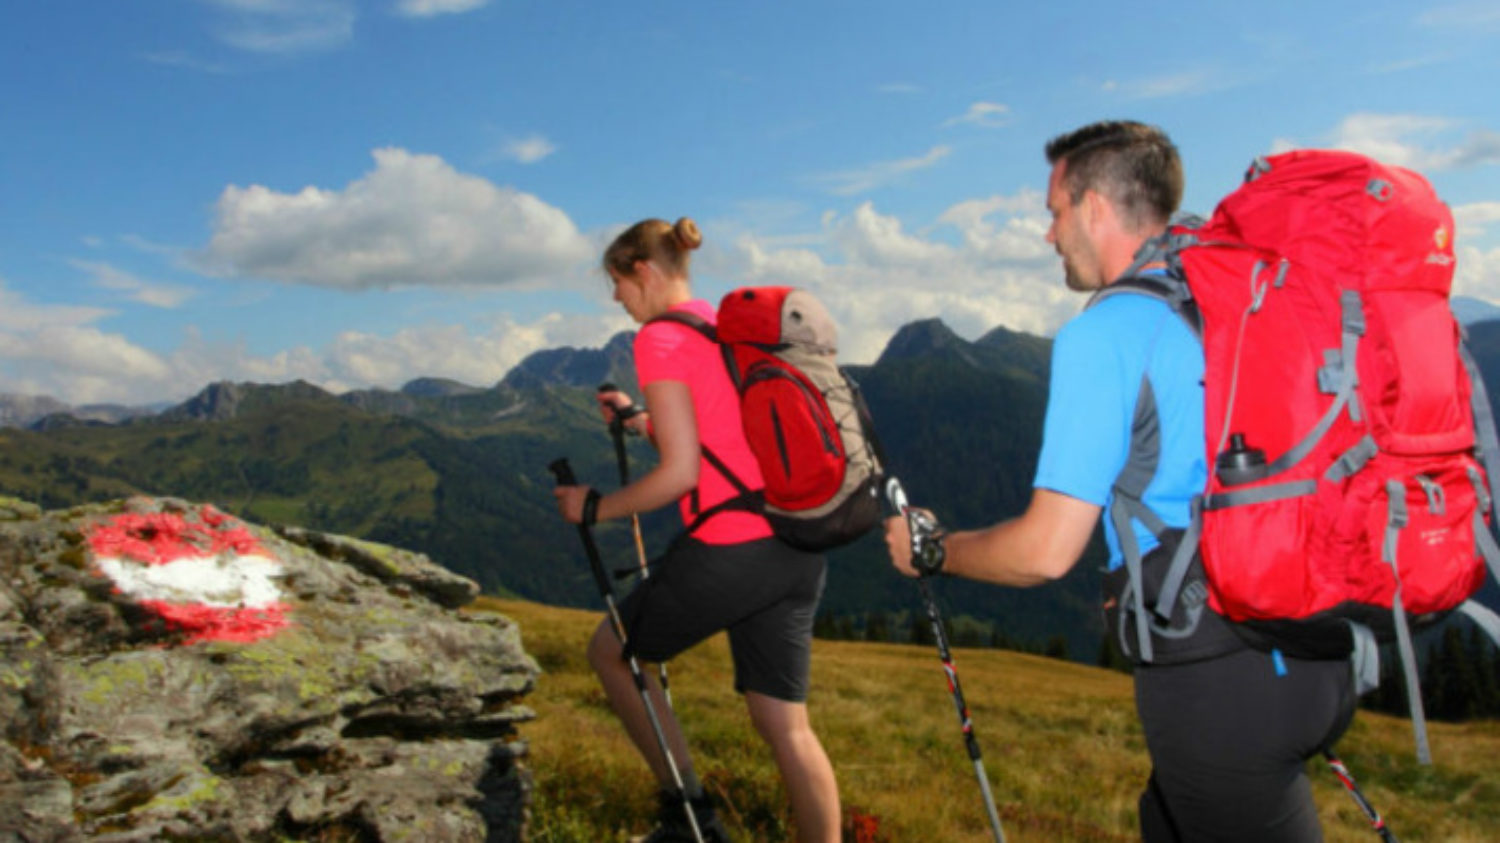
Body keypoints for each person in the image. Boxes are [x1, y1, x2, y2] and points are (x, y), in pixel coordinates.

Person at [884, 121, 1356, 842]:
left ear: (1096, 208)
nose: (1048, 233)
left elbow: (1045, 550)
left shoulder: (1105, 333)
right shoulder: (1228, 296)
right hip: (1307, 645)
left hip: (1213, 676)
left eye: (1055, 211)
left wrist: (937, 549)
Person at [554, 217, 841, 843]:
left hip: (732, 548)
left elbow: (681, 475)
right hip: (795, 540)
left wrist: (593, 507)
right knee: (786, 725)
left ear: (644, 272)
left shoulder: (659, 338)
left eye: (617, 284)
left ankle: (690, 822)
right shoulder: (721, 327)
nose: (616, 300)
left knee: (612, 652)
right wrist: (637, 418)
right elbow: (719, 441)